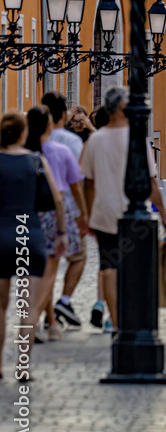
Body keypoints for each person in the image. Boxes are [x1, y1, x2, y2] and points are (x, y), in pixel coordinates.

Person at [81, 87, 166, 331]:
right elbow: (151, 182)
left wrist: (88, 214)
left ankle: (115, 320)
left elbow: (87, 183)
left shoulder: (95, 140)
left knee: (109, 266)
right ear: (123, 108)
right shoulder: (137, 140)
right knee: (132, 266)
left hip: (104, 213)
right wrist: (163, 215)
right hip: (134, 215)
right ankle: (129, 314)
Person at [0, 111, 64, 379]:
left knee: (0, 307)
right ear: (24, 133)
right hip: (30, 236)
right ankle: (22, 367)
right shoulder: (36, 161)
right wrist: (61, 233)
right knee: (27, 307)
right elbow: (58, 200)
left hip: (0, 236)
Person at [25, 105, 88, 340]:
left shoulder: (22, 152)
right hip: (53, 215)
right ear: (50, 125)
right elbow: (74, 187)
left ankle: (50, 322)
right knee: (49, 274)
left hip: (26, 216)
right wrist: (82, 215)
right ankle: (34, 324)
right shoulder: (60, 151)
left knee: (35, 273)